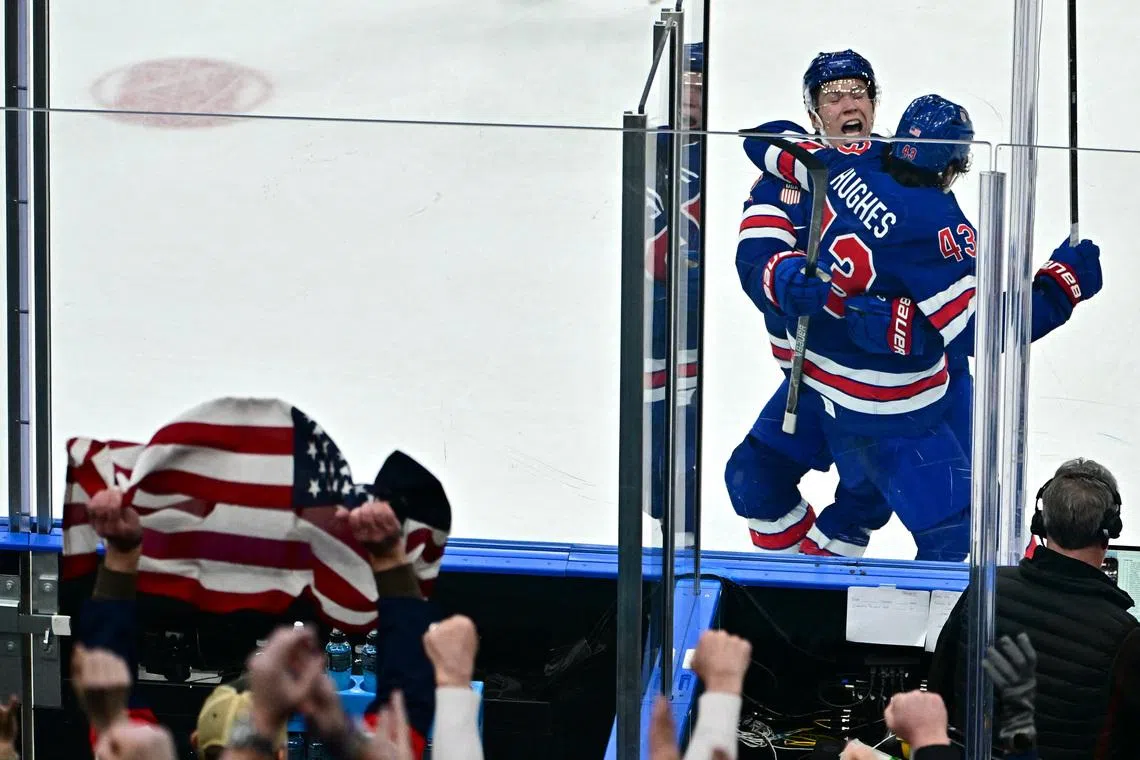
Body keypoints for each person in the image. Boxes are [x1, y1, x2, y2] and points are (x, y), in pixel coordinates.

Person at [729, 51, 1103, 559]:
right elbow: (756, 249)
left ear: (876, 103)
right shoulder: (829, 170)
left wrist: (915, 332)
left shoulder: (844, 164)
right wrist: (1062, 287)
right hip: (815, 382)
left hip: (886, 402)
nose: (847, 104)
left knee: (946, 523)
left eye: (857, 92)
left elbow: (765, 138)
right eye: (832, 96)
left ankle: (878, 599)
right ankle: (807, 582)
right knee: (755, 480)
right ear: (814, 111)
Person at [929, 458, 1140, 759]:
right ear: (1109, 531)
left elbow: (939, 696)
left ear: (1041, 523)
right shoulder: (1125, 637)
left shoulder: (986, 591)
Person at [646, 42, 703, 543]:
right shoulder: (653, 144)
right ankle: (665, 513)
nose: (691, 94)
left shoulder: (713, 146)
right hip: (660, 303)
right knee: (657, 410)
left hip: (697, 303)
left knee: (689, 410)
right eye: (684, 83)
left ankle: (683, 524)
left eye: (701, 84)